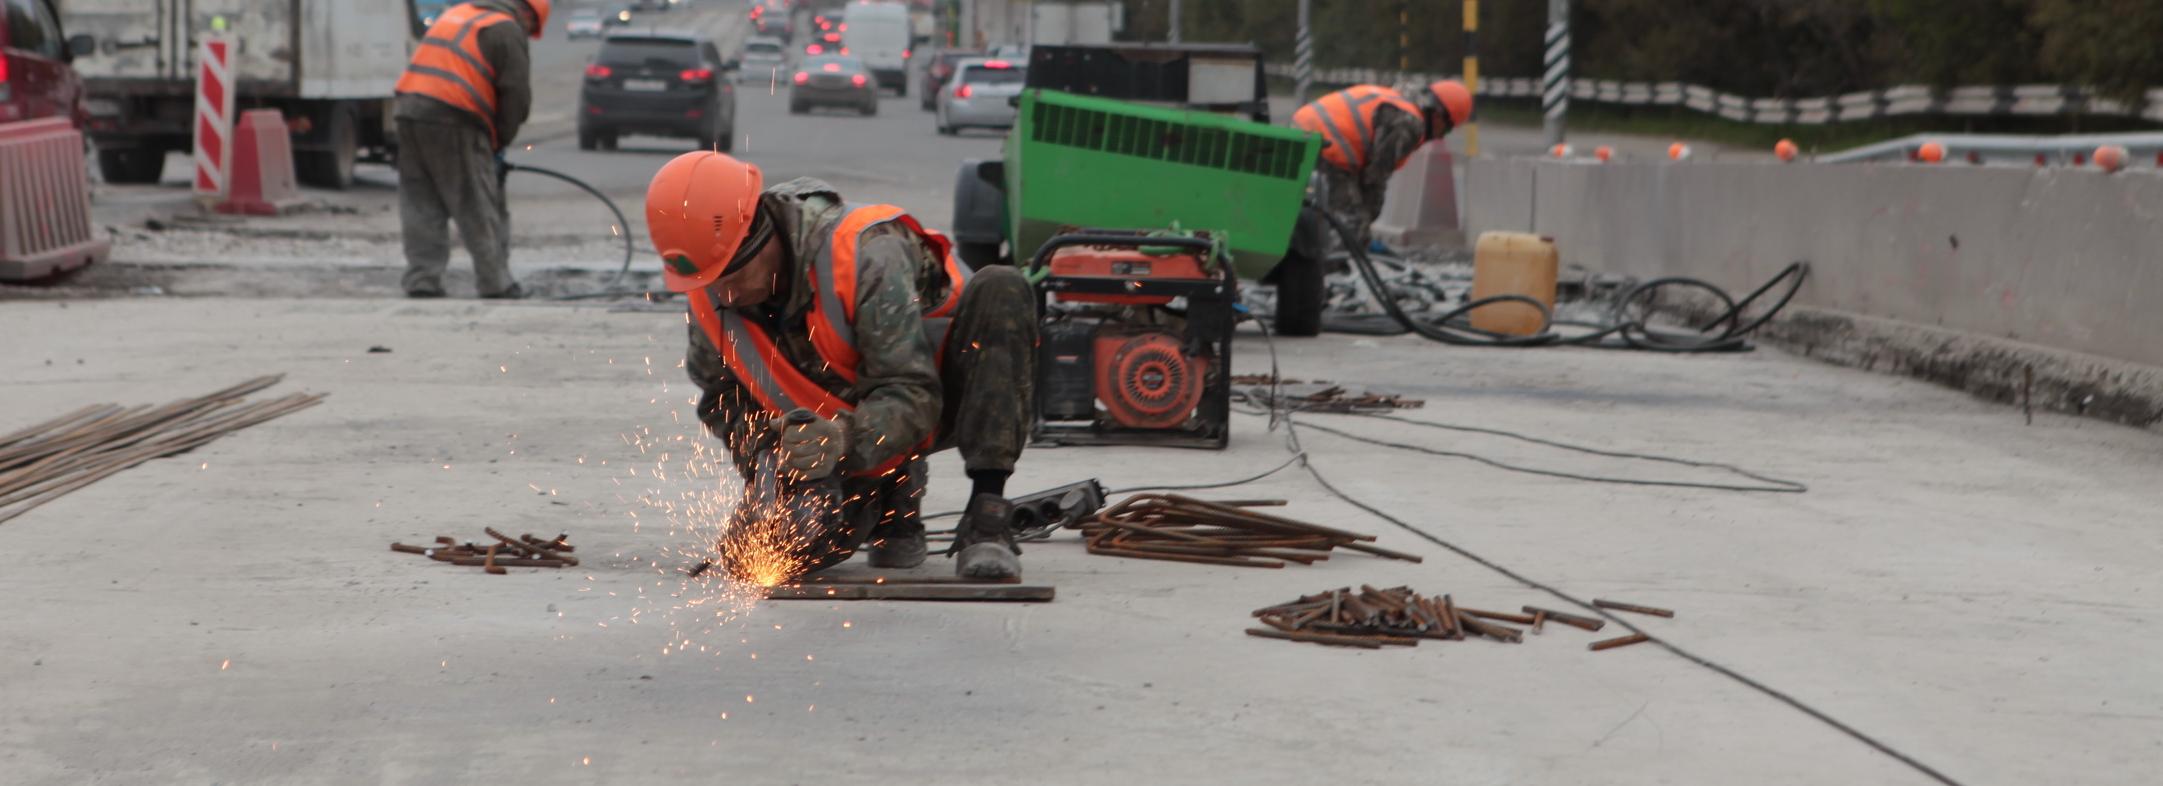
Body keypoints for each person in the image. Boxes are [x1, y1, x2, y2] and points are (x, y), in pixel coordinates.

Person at [647, 151, 1040, 580]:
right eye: (709, 281)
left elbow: (913, 392)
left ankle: (987, 519)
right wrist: (771, 461)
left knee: (1003, 287)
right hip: (833, 434)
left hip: (939, 394)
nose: (724, 294)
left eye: (730, 275)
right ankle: (892, 501)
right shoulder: (710, 286)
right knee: (772, 554)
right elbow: (722, 400)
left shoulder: (868, 254)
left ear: (759, 236)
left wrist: (841, 440)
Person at [393, 0, 549, 299]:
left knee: (420, 200)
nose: (527, 33)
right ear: (527, 13)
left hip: (408, 110)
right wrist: (499, 141)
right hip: (454, 116)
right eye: (532, 28)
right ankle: (495, 282)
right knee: (475, 201)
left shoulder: (457, 14)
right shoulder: (505, 28)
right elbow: (515, 96)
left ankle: (422, 279)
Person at [1290, 80, 1473, 254]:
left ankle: (1310, 258)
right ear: (1438, 116)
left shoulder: (1396, 99)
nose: (1441, 136)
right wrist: (1367, 225)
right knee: (1353, 225)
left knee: (1312, 212)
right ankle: (1316, 274)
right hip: (1327, 147)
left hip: (1302, 133)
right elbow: (1375, 176)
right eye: (1447, 129)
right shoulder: (1407, 123)